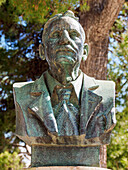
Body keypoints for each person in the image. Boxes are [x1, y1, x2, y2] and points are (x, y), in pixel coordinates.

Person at [13, 11, 116, 146]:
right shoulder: (22, 95)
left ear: (84, 51)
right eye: (56, 35)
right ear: (42, 51)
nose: (65, 40)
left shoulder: (106, 93)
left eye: (74, 35)